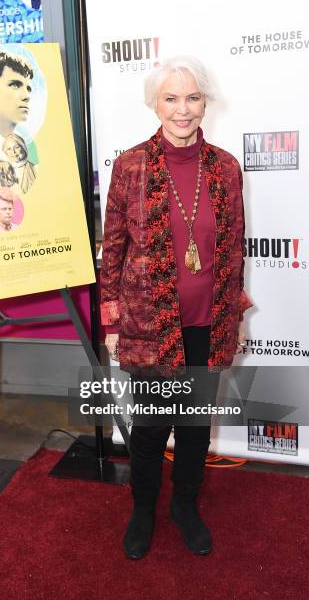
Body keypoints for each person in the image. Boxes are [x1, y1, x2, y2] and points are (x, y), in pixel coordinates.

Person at [100, 55, 252, 560]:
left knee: (193, 427)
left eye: (193, 97)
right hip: (149, 324)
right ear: (154, 104)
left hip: (208, 322)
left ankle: (185, 507)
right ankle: (142, 510)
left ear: (205, 102)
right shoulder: (130, 166)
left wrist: (235, 313)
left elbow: (234, 248)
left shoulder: (227, 167)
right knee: (150, 428)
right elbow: (114, 248)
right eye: (171, 98)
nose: (183, 109)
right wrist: (112, 319)